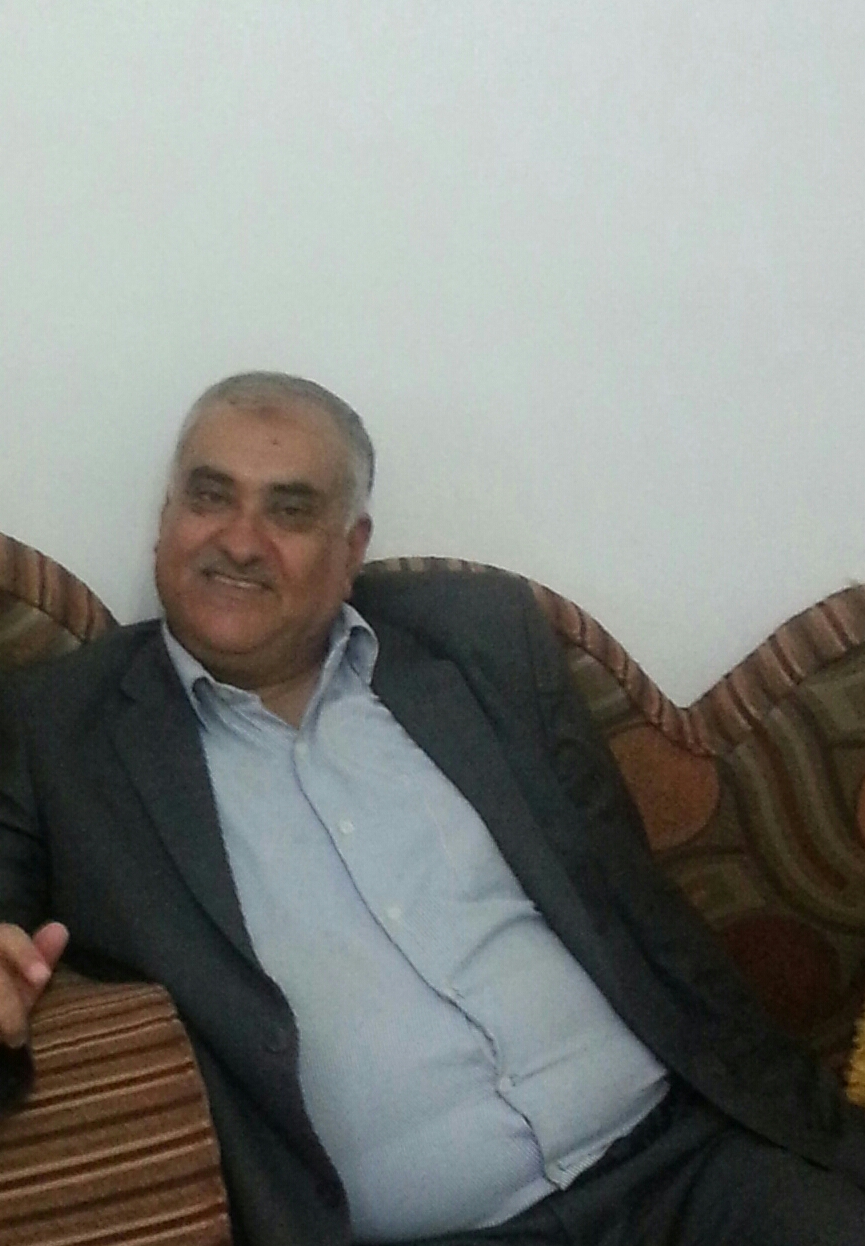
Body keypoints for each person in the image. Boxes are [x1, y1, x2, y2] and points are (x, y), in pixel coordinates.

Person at [0, 371, 864, 1246]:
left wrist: (821, 1138)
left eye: (290, 511)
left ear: (350, 550)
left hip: (687, 1164)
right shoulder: (56, 732)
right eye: (209, 496)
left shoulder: (478, 640)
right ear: (166, 517)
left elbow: (640, 910)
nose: (240, 541)